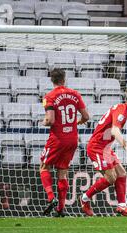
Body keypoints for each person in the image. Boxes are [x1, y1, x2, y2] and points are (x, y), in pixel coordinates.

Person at [80, 89, 127, 217]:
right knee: (111, 178)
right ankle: (85, 198)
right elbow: (115, 130)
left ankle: (122, 206)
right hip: (97, 147)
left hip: (106, 148)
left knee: (122, 174)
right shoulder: (122, 111)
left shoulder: (122, 108)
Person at [40, 68, 90, 217]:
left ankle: (51, 198)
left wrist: (43, 122)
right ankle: (61, 209)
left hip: (57, 139)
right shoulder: (74, 94)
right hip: (72, 139)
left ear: (52, 80)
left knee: (44, 167)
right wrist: (77, 122)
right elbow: (86, 116)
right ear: (64, 79)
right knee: (63, 172)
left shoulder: (49, 97)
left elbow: (50, 120)